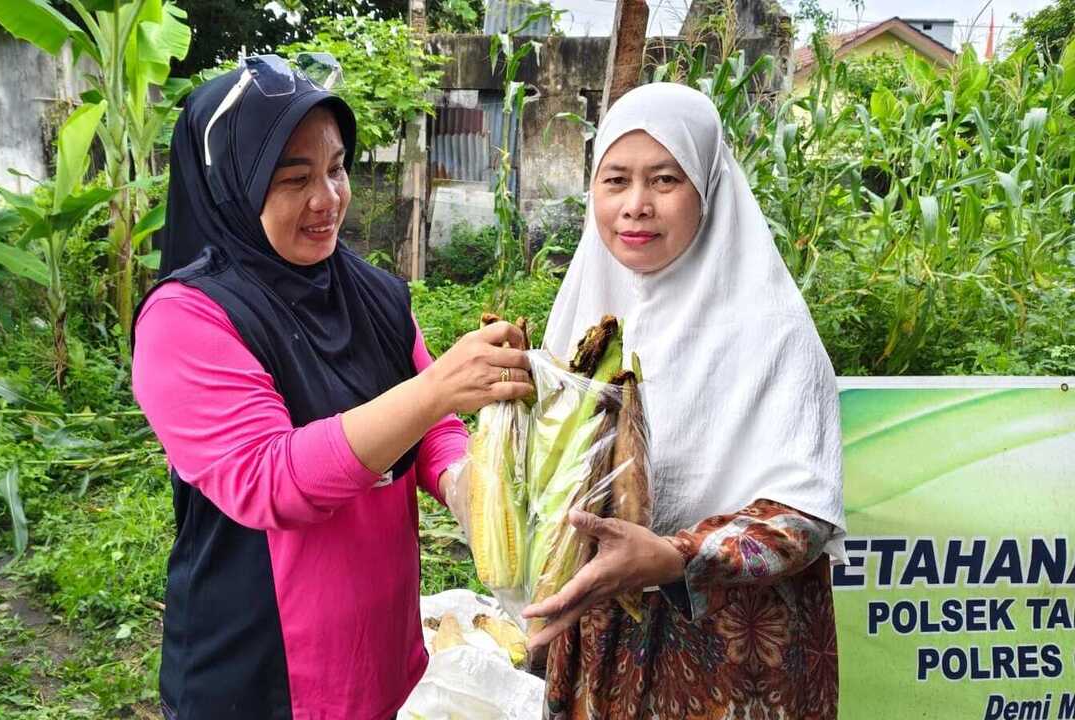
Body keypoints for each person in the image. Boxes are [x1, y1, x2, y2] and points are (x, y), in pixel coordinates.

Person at [129, 55, 532, 720]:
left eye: (337, 167)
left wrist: (463, 482)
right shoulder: (188, 319)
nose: (329, 198)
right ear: (233, 186)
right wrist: (436, 391)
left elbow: (432, 425)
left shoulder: (369, 290)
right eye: (294, 179)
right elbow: (269, 479)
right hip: (260, 669)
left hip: (376, 649)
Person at [521, 82, 847, 720]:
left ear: (708, 187)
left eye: (665, 180)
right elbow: (553, 483)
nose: (636, 206)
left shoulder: (769, 327)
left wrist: (675, 556)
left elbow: (805, 516)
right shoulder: (583, 313)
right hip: (600, 646)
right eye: (615, 180)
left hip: (731, 656)